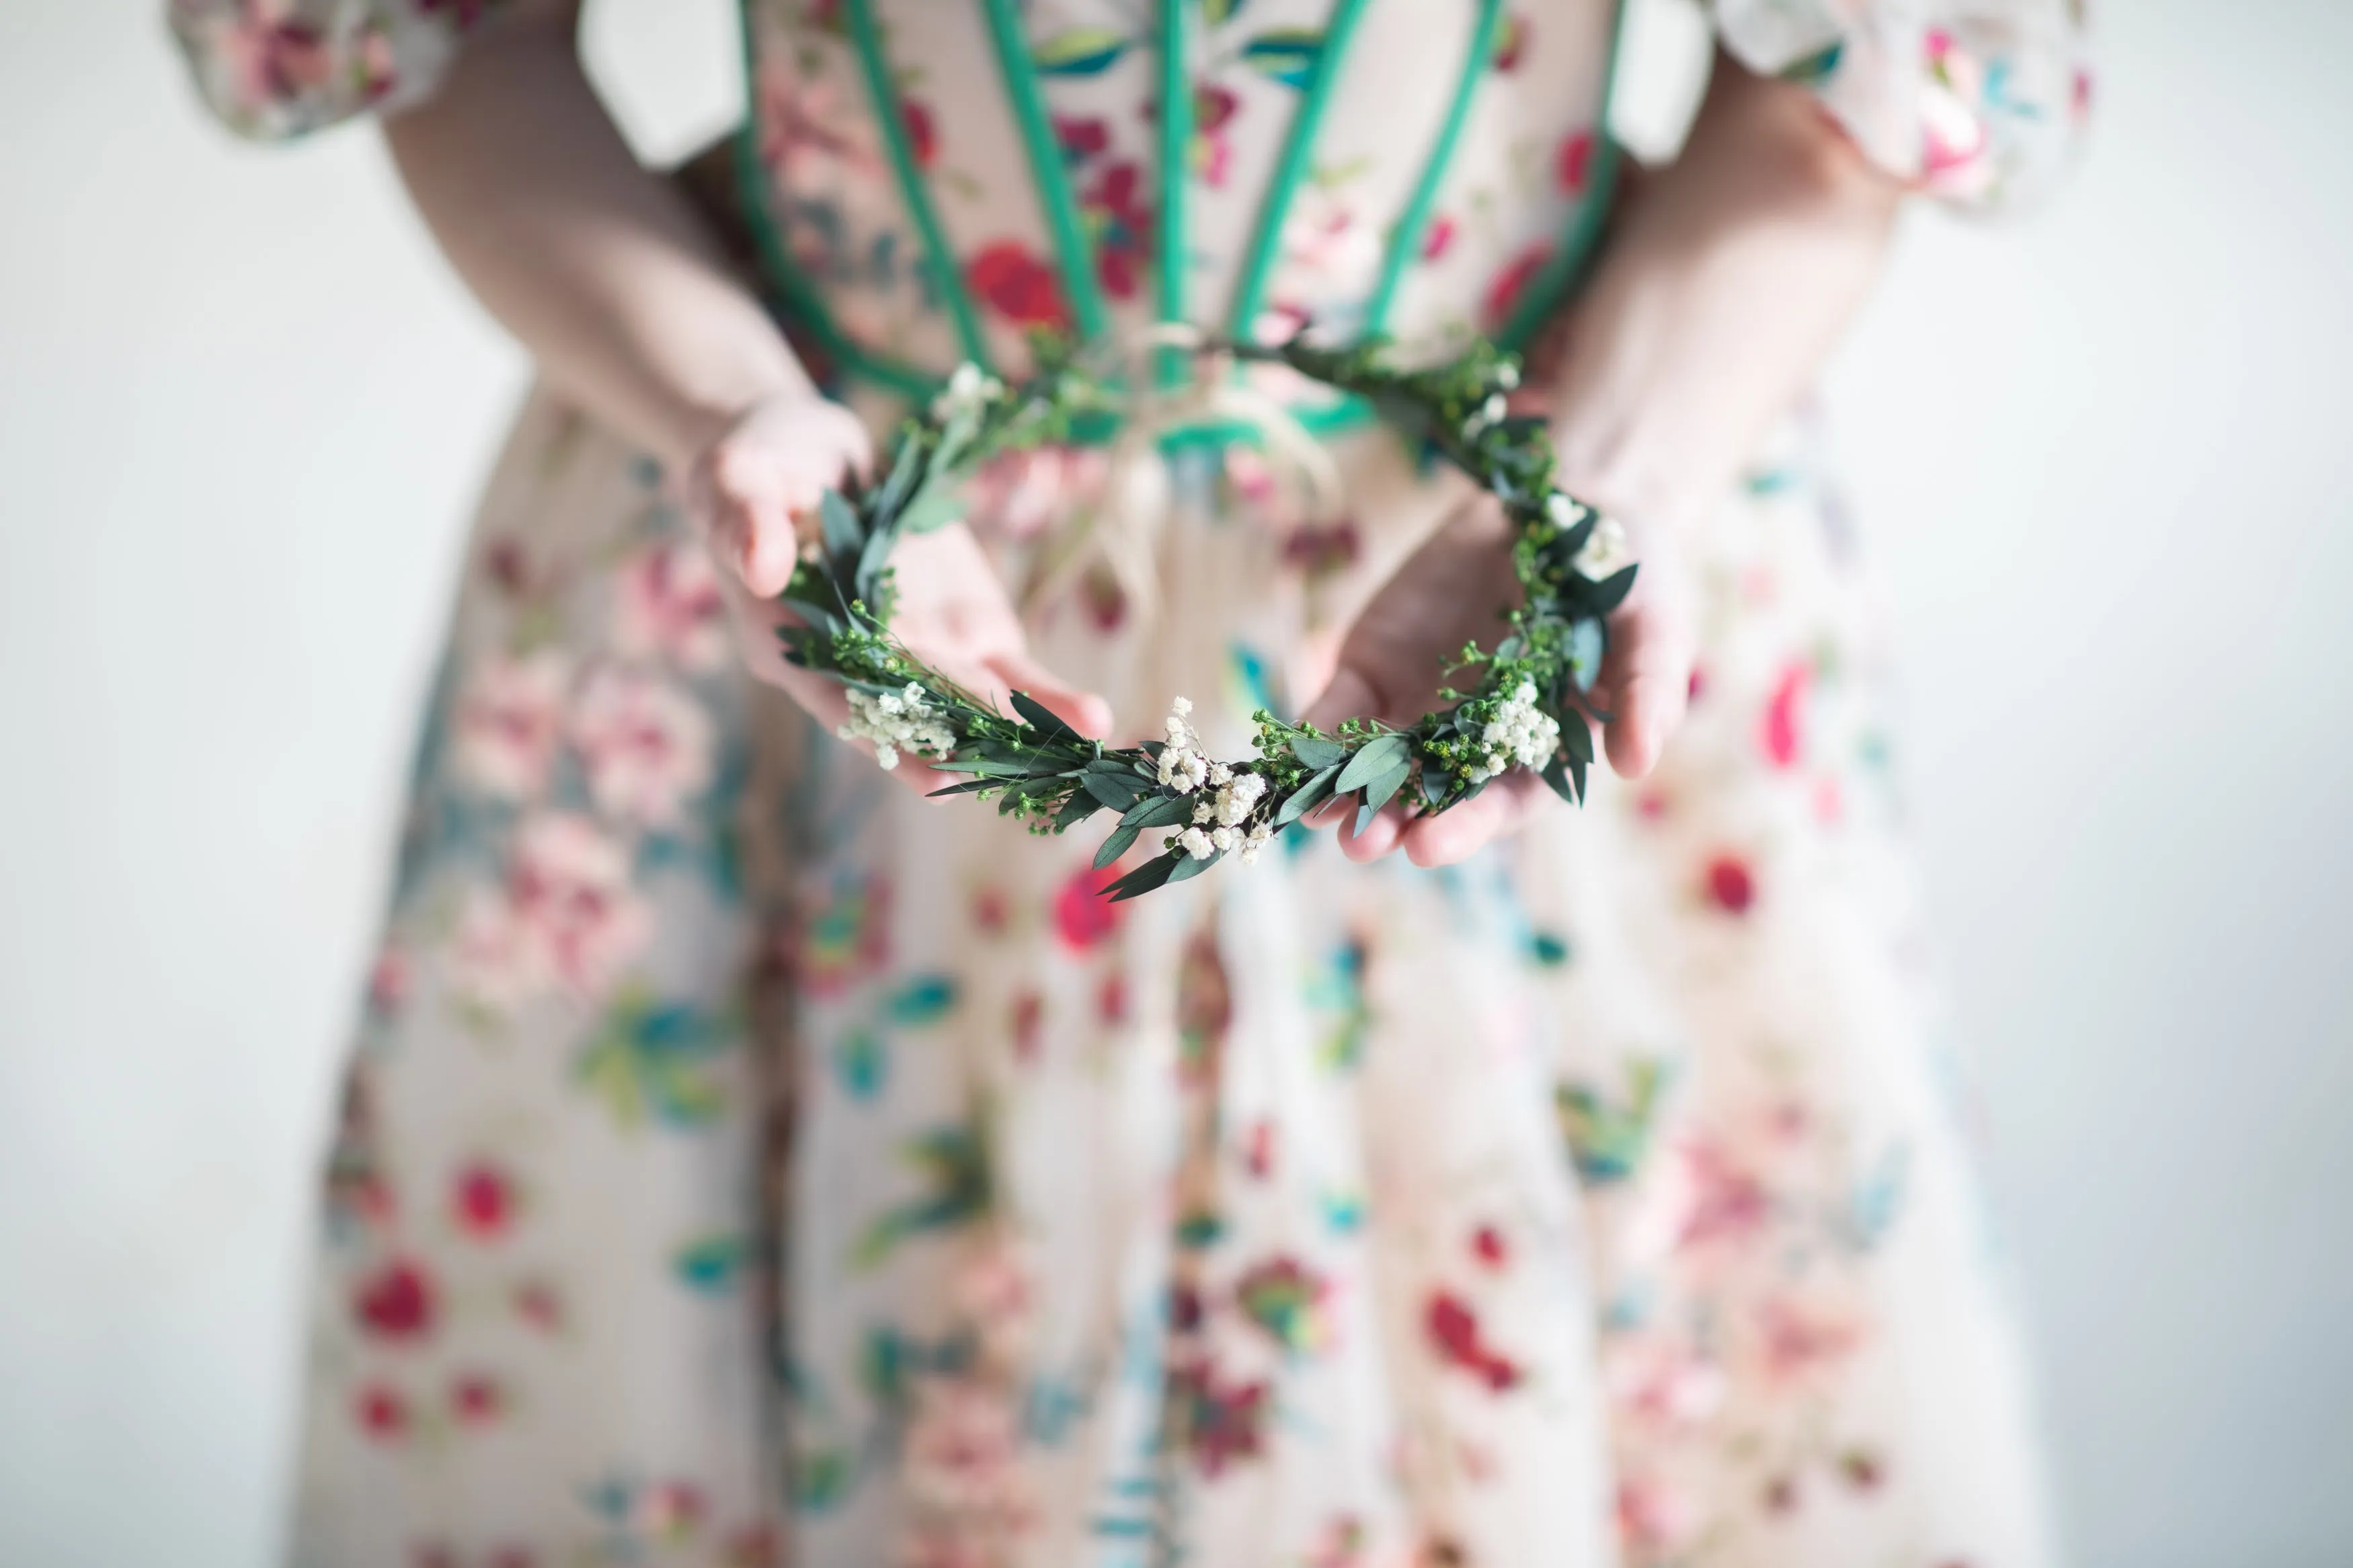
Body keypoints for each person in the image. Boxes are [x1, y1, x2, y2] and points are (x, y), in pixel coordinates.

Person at [170, 1, 2091, 1563]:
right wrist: (720, 409)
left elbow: (1849, 95)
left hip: (1529, 566)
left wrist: (1612, 497)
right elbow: (453, 40)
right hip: (821, 579)